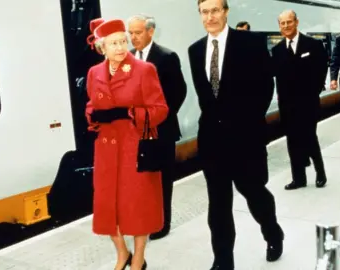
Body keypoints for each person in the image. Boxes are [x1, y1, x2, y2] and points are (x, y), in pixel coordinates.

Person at [187, 0, 284, 268]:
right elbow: (206, 98)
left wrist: (247, 125)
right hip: (212, 142)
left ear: (226, 12)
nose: (210, 16)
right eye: (205, 12)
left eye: (215, 10)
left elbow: (266, 87)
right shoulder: (194, 50)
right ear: (200, 15)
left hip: (245, 139)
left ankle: (273, 233)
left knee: (254, 193)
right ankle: (223, 260)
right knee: (218, 205)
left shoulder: (250, 43)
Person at [85, 18, 168, 270]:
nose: (121, 48)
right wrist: (94, 116)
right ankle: (122, 252)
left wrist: (129, 113)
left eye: (123, 41)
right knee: (108, 207)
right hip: (107, 150)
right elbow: (91, 105)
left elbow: (160, 109)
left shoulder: (144, 69)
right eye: (114, 44)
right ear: (102, 48)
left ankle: (139, 258)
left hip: (135, 148)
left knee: (138, 207)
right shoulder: (94, 73)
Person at [127, 13, 187, 240]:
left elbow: (178, 92)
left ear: (150, 32)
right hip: (137, 132)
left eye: (138, 32)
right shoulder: (128, 58)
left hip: (161, 130)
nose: (133, 37)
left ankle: (163, 223)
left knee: (162, 179)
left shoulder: (167, 57)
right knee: (142, 179)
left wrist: (158, 117)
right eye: (130, 33)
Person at [271, 10, 328, 190]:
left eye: (289, 22)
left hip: (308, 103)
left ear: (297, 22)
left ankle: (320, 173)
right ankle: (299, 178)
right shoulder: (277, 50)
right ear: (279, 26)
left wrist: (313, 93)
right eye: (283, 23)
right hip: (287, 106)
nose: (286, 26)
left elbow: (321, 70)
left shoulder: (313, 45)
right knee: (292, 140)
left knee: (310, 137)